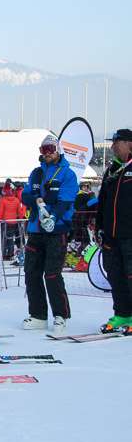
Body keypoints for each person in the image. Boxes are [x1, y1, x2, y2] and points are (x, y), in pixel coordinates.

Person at [21, 134, 78, 332]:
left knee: (52, 274)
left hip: (57, 230)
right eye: (44, 150)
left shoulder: (67, 174)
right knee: (31, 273)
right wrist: (34, 200)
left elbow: (66, 200)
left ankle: (61, 315)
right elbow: (25, 195)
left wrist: (53, 217)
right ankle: (38, 315)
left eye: (51, 149)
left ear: (58, 150)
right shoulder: (36, 173)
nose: (47, 153)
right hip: (35, 229)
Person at [96, 129, 132, 331]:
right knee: (115, 275)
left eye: (116, 143)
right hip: (111, 234)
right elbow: (102, 202)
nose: (112, 146)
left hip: (129, 234)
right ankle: (122, 314)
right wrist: (99, 226)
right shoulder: (111, 171)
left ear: (129, 144)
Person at [0, 181, 25, 259]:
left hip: (4, 222)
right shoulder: (16, 200)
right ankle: (10, 254)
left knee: (4, 238)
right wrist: (20, 220)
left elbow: (0, 212)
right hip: (13, 222)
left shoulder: (2, 200)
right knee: (11, 238)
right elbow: (20, 212)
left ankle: (3, 254)